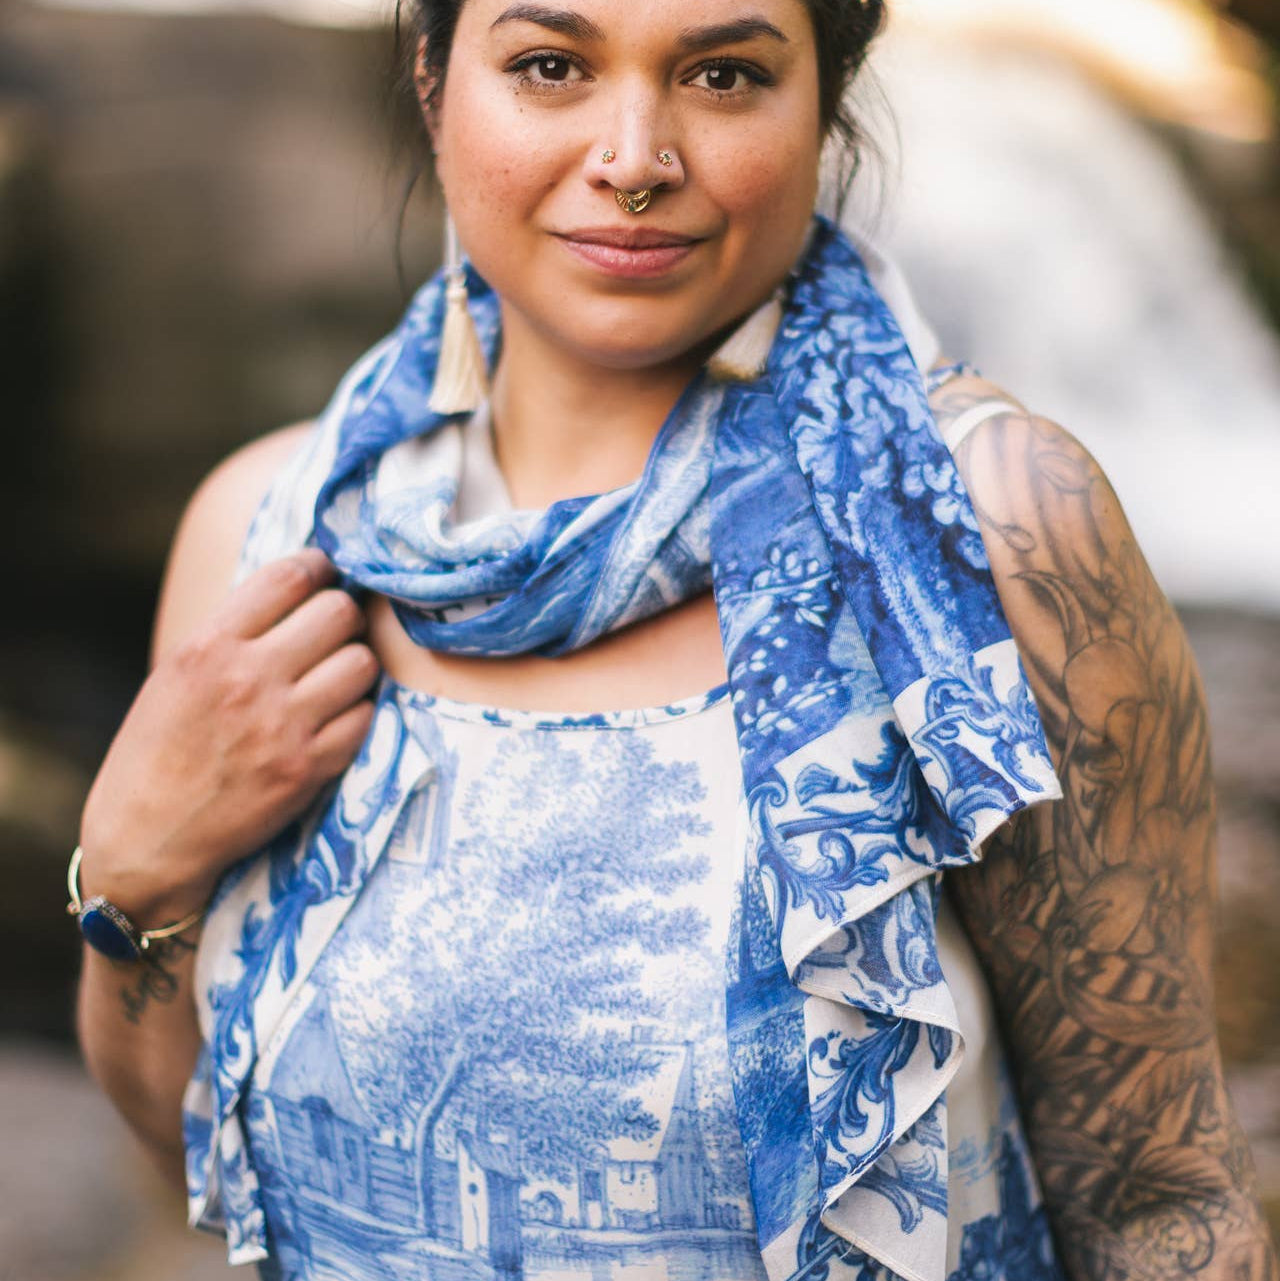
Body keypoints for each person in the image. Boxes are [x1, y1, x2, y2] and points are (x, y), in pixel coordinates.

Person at [71, 2, 1278, 1279]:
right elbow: (204, 1165)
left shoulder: (986, 533)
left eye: (722, 73)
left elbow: (1157, 1200)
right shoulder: (266, 539)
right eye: (550, 67)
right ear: (433, 81)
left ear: (822, 98)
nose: (635, 156)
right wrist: (132, 869)